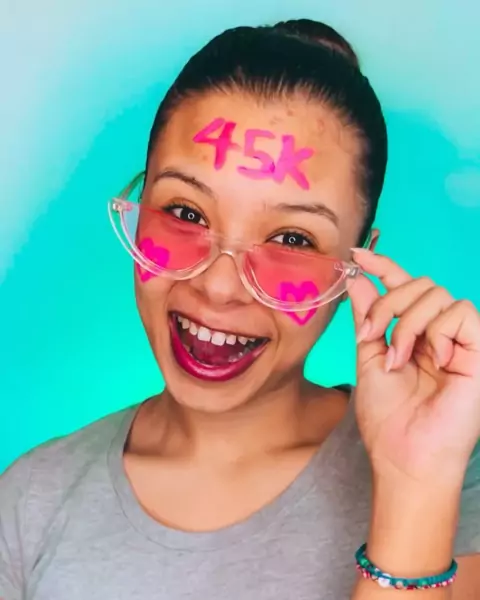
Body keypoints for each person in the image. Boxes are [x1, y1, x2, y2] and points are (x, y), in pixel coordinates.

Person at [1, 18, 479, 600]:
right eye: (186, 213)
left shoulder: (452, 475)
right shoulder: (29, 502)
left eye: (293, 240)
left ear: (358, 262)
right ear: (141, 200)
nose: (219, 286)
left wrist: (413, 484)